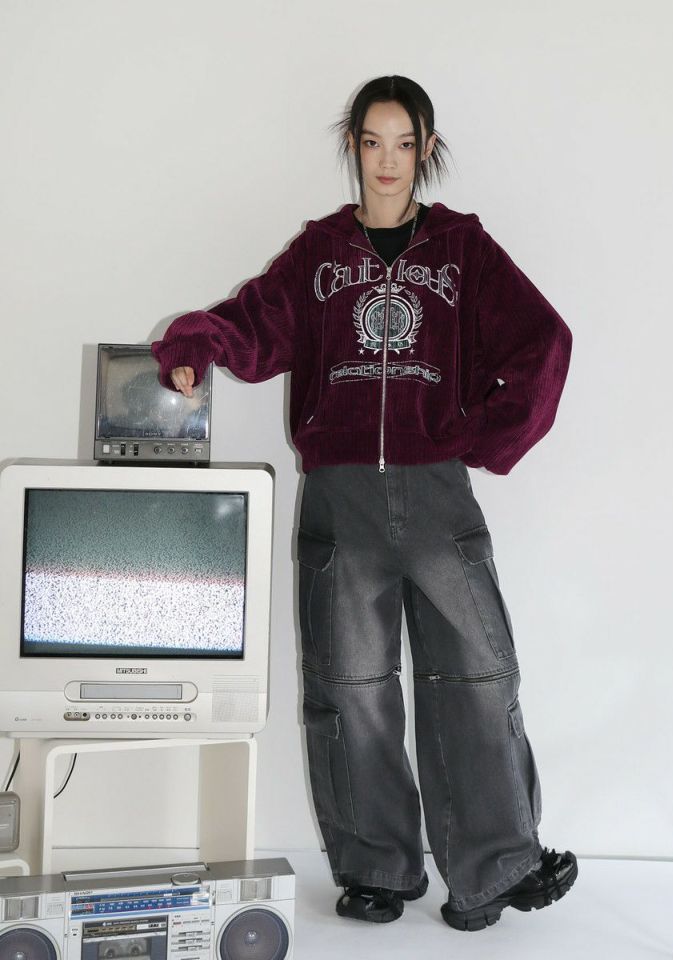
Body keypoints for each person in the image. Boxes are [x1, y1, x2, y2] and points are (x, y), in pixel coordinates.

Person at [151, 75, 575, 932]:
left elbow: (544, 339)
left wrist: (488, 438)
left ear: (426, 149)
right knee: (351, 690)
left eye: (404, 144)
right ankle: (376, 869)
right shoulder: (318, 255)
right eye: (373, 142)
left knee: (478, 678)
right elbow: (252, 323)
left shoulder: (463, 249)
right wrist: (196, 341)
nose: (388, 161)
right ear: (354, 147)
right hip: (340, 499)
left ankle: (494, 871)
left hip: (437, 493)